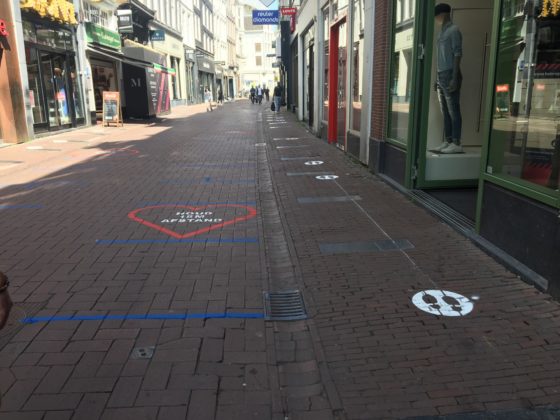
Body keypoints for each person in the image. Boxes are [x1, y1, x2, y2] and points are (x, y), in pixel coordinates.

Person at [432, 3, 463, 154]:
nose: (436, 19)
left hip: (450, 74)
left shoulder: (454, 31)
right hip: (441, 76)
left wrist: (454, 77)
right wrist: (436, 78)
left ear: (442, 15)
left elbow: (458, 54)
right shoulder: (441, 34)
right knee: (445, 111)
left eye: (436, 16)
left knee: (453, 110)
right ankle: (448, 140)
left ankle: (456, 142)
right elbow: (440, 58)